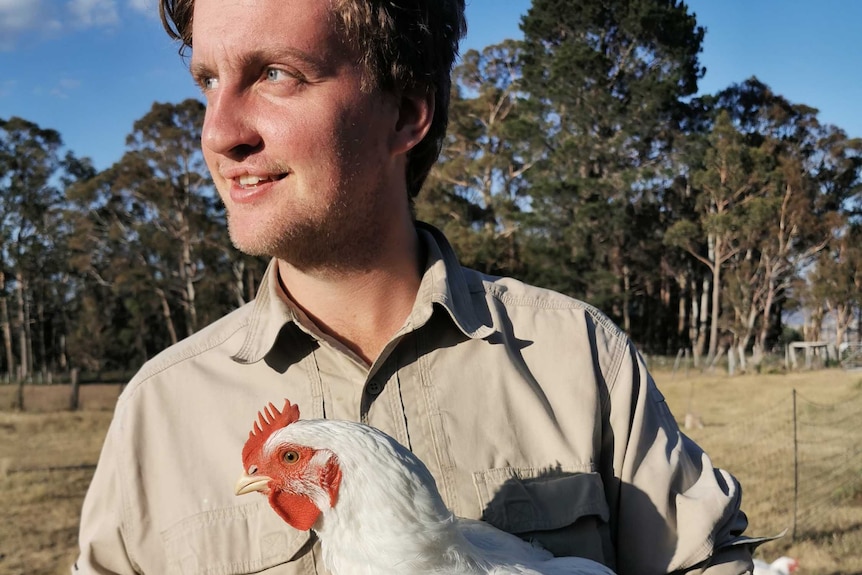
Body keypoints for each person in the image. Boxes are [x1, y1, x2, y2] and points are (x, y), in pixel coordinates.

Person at [74, 0, 761, 573]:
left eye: (276, 74)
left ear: (405, 114)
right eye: (207, 82)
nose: (218, 132)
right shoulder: (158, 412)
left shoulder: (578, 356)